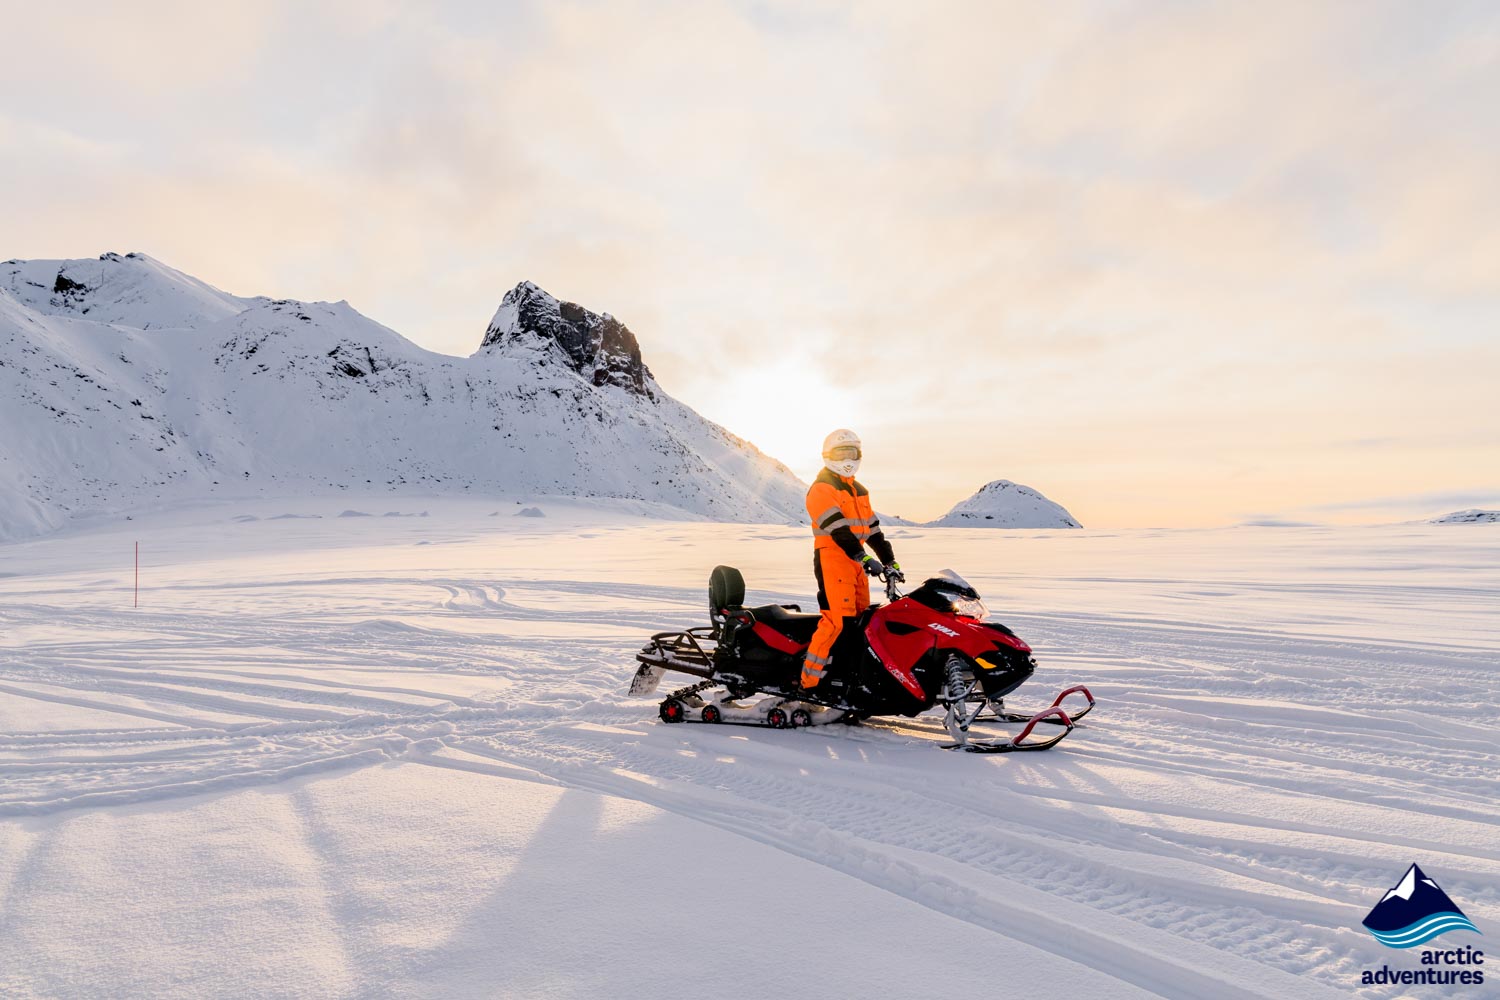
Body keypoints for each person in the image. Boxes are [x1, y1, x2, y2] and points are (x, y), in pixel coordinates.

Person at [801, 429, 902, 691]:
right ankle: (808, 683)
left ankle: (850, 677)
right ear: (828, 456)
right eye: (841, 452)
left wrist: (890, 562)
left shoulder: (859, 491)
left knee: (861, 621)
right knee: (836, 620)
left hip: (857, 562)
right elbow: (839, 531)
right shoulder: (822, 489)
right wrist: (864, 557)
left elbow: (874, 531)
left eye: (852, 452)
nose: (847, 458)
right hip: (832, 557)